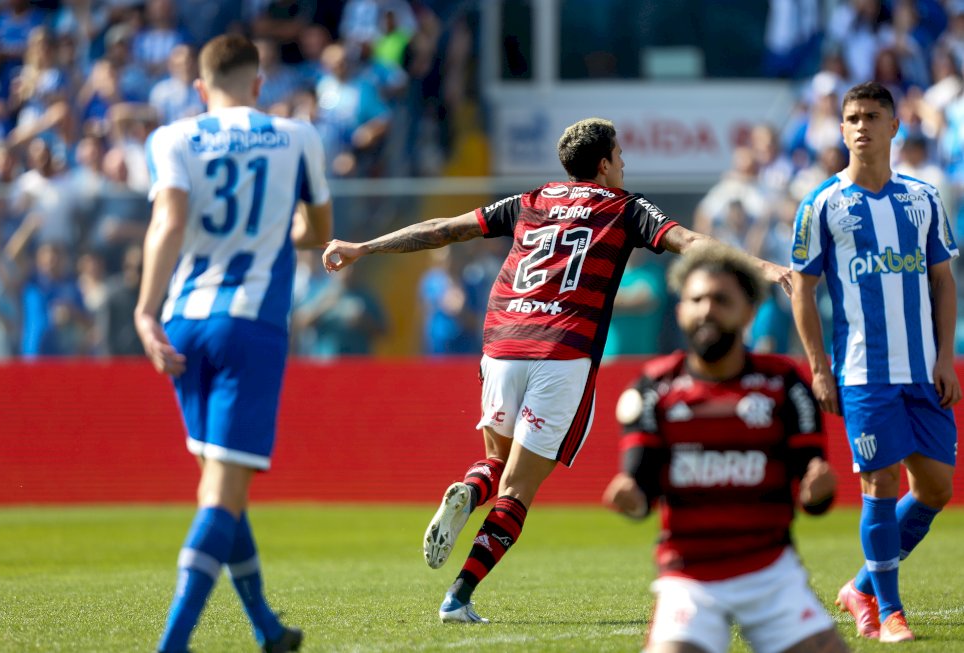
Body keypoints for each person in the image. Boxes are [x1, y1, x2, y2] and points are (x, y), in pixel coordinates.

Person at [321, 117, 791, 624]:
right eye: (621, 155)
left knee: (496, 465)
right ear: (605, 164)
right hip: (561, 351)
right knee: (519, 490)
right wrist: (763, 268)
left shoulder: (531, 199)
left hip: (500, 344)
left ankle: (469, 489)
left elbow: (442, 230)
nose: (625, 164)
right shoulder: (626, 207)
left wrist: (362, 248)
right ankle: (458, 595)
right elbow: (692, 243)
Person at [134, 34, 333, 653]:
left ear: (199, 87)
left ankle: (267, 628)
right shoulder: (297, 136)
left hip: (184, 322)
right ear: (258, 83)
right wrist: (277, 229)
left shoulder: (171, 138)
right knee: (223, 492)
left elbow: (167, 223)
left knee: (221, 487)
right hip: (250, 324)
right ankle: (172, 645)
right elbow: (318, 233)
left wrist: (144, 310)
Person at [603, 246, 847, 653]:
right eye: (697, 300)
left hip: (771, 574)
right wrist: (630, 496)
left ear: (748, 312)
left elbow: (813, 493)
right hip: (689, 578)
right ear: (680, 310)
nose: (707, 310)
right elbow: (641, 492)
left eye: (721, 300)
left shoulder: (785, 384)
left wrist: (818, 491)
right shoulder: (653, 389)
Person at [790, 81, 960, 643]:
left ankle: (862, 584)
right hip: (863, 372)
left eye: (872, 116)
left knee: (935, 488)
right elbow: (802, 288)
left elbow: (942, 279)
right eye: (852, 117)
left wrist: (944, 354)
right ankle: (888, 612)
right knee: (880, 482)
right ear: (841, 130)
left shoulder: (924, 198)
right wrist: (819, 367)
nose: (861, 126)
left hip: (922, 369)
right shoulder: (821, 203)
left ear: (894, 127)